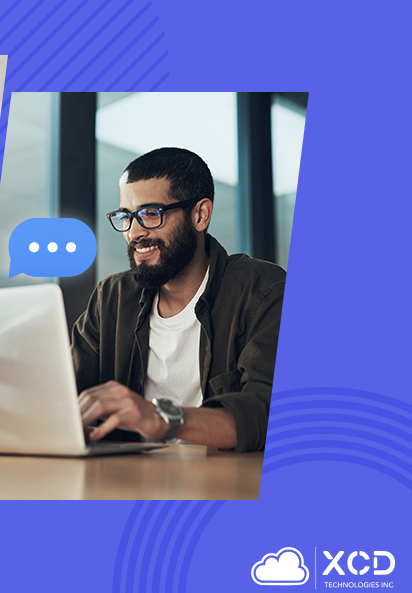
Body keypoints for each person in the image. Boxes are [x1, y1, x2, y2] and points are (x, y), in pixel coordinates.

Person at [74, 147, 284, 452]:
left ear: (200, 215)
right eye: (126, 216)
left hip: (227, 487)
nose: (133, 233)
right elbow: (66, 392)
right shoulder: (112, 298)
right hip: (124, 484)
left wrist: (162, 419)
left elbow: (267, 412)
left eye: (150, 214)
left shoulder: (264, 291)